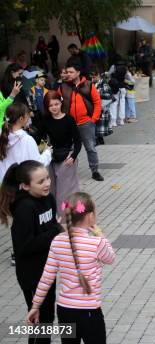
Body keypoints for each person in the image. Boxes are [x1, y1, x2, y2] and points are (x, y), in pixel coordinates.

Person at [26, 192, 116, 344]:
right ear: (90, 216)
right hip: (89, 311)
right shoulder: (96, 243)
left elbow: (46, 278)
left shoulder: (57, 241)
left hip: (64, 310)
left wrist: (35, 306)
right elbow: (111, 258)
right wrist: (100, 234)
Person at [0, 160, 62, 344]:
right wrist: (57, 230)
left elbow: (51, 229)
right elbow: (24, 246)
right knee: (40, 318)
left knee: (46, 316)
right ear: (25, 186)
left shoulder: (49, 199)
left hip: (48, 269)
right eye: (40, 181)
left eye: (47, 178)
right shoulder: (24, 208)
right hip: (32, 274)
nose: (47, 184)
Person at [59, 59, 103, 181]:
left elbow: (97, 103)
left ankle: (95, 171)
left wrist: (93, 119)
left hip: (86, 123)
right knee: (69, 149)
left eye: (71, 72)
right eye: (67, 72)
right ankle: (69, 173)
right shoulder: (63, 86)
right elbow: (57, 103)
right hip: (69, 124)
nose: (68, 74)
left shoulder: (88, 85)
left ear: (78, 72)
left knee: (90, 148)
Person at [40, 91, 81, 205]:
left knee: (66, 191)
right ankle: (54, 216)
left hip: (67, 157)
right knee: (51, 189)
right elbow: (39, 139)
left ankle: (68, 217)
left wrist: (73, 156)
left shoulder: (69, 119)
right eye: (50, 105)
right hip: (52, 157)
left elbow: (78, 141)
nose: (54, 107)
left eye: (56, 104)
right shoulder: (45, 120)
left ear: (61, 103)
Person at [0, 103, 52, 181]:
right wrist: (48, 152)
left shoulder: (2, 134)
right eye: (28, 116)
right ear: (21, 119)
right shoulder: (27, 140)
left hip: (3, 183)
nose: (29, 118)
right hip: (20, 184)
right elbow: (37, 164)